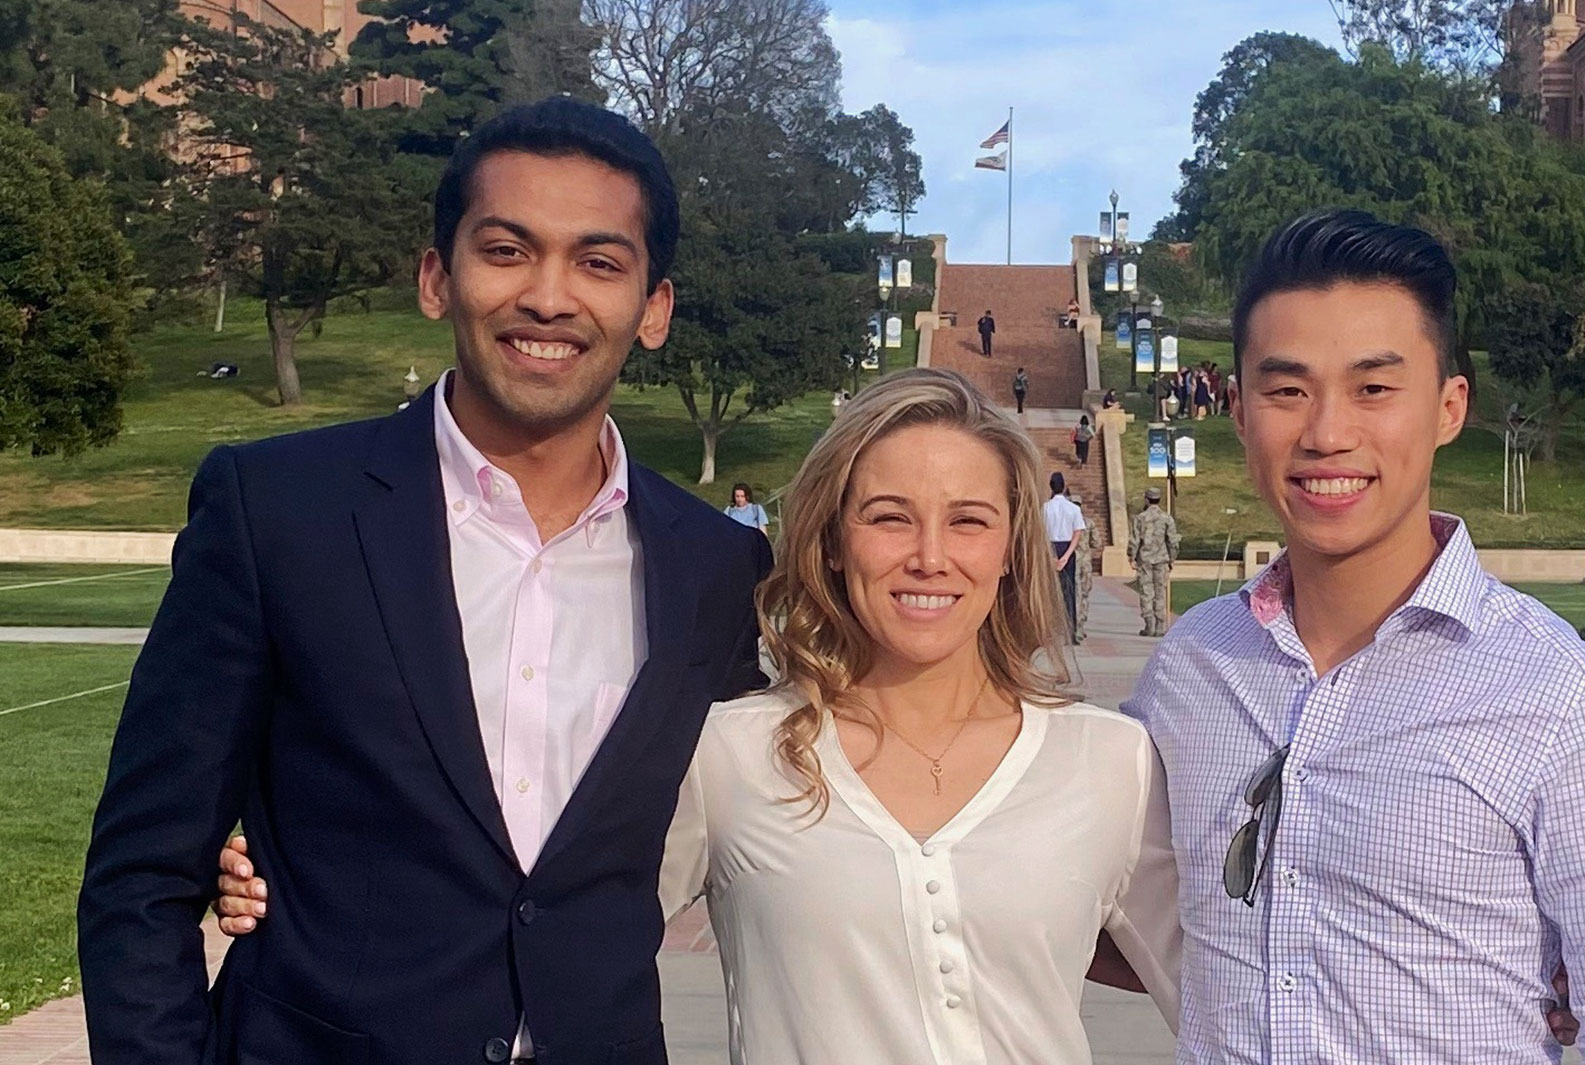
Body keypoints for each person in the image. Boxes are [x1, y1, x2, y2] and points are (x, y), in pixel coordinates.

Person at [77, 97, 774, 1065]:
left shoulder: (717, 566)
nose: (547, 295)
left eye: (598, 262)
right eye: (506, 249)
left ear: (653, 308)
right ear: (436, 277)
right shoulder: (276, 512)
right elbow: (140, 879)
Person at [214, 370, 1183, 1063]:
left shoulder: (1108, 764)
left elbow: (1244, 976)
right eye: (888, 515)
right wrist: (307, 865)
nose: (929, 555)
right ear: (833, 542)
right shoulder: (732, 752)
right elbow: (530, 906)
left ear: (1014, 546)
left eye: (967, 520)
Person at [1123, 210, 1585, 1061]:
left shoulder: (1575, 707)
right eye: (1288, 390)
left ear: (1448, 406)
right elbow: (1088, 889)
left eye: (1374, 388)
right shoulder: (1195, 665)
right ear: (1239, 411)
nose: (1326, 432)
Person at [1127, 486, 1179, 638]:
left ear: (1147, 499)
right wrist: (1172, 558)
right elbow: (1173, 542)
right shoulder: (1166, 518)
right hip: (1162, 559)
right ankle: (1160, 626)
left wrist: (1131, 557)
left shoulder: (1140, 518)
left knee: (1146, 592)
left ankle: (1149, 624)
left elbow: (1135, 540)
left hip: (1145, 560)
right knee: (1160, 592)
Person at [1042, 471, 1085, 640]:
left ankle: (1051, 631)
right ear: (1064, 486)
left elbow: (1042, 534)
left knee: (1050, 592)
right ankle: (1070, 631)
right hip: (1067, 547)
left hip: (1051, 547)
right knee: (1069, 592)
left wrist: (1052, 555)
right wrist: (1067, 556)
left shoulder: (1045, 508)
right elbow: (1077, 533)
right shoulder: (1073, 508)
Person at [1071, 493, 1100, 642]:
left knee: (1071, 595)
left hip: (1070, 562)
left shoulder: (1067, 522)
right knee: (1083, 595)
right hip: (1085, 563)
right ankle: (1080, 628)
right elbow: (1097, 543)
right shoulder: (1088, 523)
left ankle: (1072, 627)